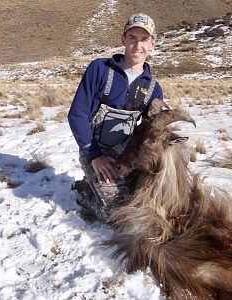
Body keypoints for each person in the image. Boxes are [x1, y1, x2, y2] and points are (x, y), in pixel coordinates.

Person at [68, 13, 164, 222]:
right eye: (132, 38)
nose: (137, 45)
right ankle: (84, 191)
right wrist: (94, 156)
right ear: (123, 40)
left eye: (144, 39)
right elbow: (77, 115)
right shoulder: (100, 69)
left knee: (147, 199)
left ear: (152, 44)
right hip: (95, 150)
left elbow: (150, 130)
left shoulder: (153, 88)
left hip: (127, 153)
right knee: (117, 214)